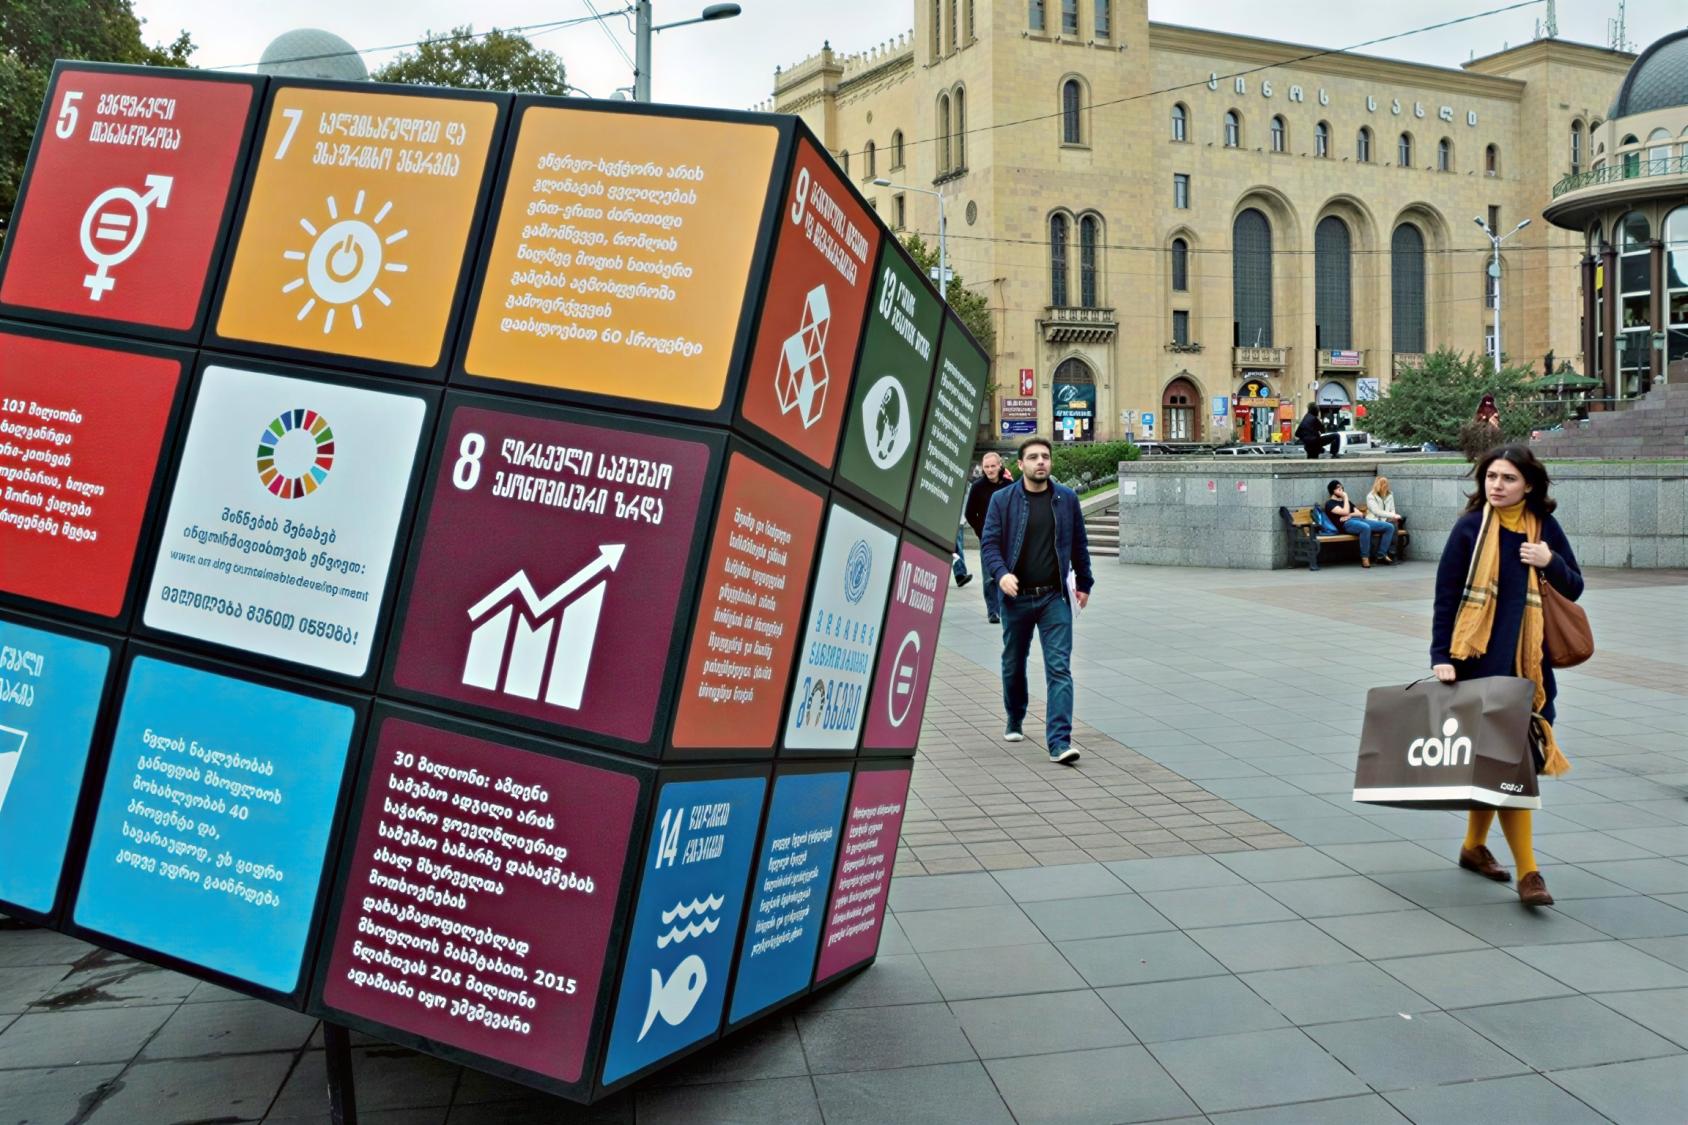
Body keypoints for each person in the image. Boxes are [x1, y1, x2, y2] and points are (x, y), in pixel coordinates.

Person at [1432, 445, 1583, 908]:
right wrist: (1441, 655)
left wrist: (1548, 561)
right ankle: (1530, 873)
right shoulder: (1469, 529)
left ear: (1530, 485)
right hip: (1478, 665)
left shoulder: (1544, 529)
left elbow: (1574, 586)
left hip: (1529, 668)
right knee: (1511, 768)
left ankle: (1473, 846)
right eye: (1491, 477)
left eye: (1507, 479)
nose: (1496, 486)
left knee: (1499, 766)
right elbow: (1446, 595)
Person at [980, 437, 1093, 765]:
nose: (1040, 462)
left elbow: (1079, 544)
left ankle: (1059, 742)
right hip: (1015, 599)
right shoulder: (1003, 500)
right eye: (1033, 457)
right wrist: (1001, 574)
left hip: (1053, 597)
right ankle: (1015, 716)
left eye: (1045, 456)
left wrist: (1084, 582)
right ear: (1020, 465)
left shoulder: (1066, 499)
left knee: (1059, 668)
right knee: (1013, 662)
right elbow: (989, 544)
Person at [963, 452, 1015, 623]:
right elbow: (970, 513)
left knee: (1008, 572)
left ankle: (1007, 608)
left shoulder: (1009, 485)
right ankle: (993, 611)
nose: (990, 470)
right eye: (987, 467)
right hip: (988, 539)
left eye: (993, 466)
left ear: (1000, 465)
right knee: (989, 576)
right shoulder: (978, 487)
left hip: (1008, 537)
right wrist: (982, 532)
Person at [1323, 480, 1395, 567]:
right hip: (1346, 525)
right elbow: (1345, 511)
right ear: (1332, 491)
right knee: (1365, 527)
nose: (1341, 489)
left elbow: (1360, 514)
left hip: (1360, 520)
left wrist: (1349, 515)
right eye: (1338, 488)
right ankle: (1365, 557)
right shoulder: (1330, 503)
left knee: (1389, 527)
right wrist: (1345, 498)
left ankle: (1381, 555)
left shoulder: (1347, 503)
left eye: (1342, 487)